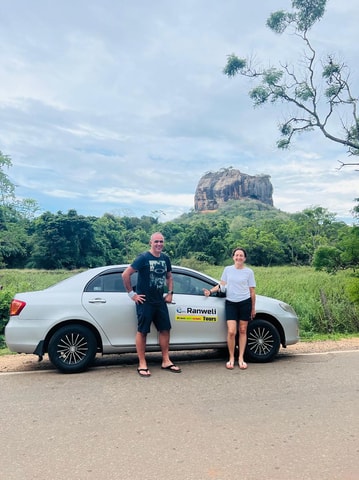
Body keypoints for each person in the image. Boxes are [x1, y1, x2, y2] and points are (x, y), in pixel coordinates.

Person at [122, 232, 181, 377]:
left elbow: (169, 276)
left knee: (165, 329)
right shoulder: (143, 258)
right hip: (145, 301)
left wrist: (170, 292)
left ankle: (166, 360)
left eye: (161, 241)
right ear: (151, 243)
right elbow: (125, 274)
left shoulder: (165, 258)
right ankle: (142, 363)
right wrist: (132, 294)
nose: (159, 244)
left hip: (159, 301)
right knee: (142, 331)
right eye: (156, 242)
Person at [204, 247, 256, 370]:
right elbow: (221, 284)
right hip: (231, 303)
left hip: (245, 302)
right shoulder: (227, 270)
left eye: (241, 255)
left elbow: (252, 291)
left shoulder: (249, 272)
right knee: (232, 331)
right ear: (233, 257)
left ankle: (241, 358)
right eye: (236, 255)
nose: (239, 257)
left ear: (244, 258)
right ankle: (231, 357)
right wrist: (210, 292)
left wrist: (253, 308)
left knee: (243, 330)